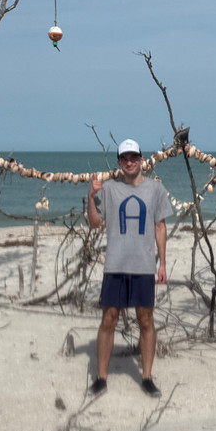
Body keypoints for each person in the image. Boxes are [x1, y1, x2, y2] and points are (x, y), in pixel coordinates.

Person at [86, 138, 173, 397]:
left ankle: (146, 377)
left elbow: (160, 226)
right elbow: (94, 223)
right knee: (108, 319)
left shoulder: (155, 190)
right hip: (115, 265)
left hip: (144, 266)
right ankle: (101, 377)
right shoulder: (109, 190)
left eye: (134, 157)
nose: (130, 162)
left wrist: (163, 263)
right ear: (119, 162)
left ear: (141, 160)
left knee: (145, 320)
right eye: (125, 158)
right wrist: (91, 196)